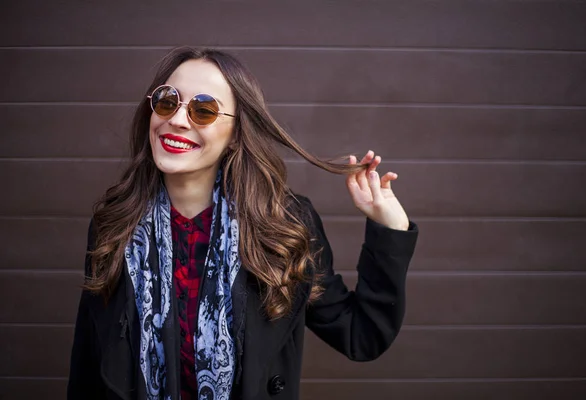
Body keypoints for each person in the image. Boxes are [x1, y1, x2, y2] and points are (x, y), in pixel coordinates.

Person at [67, 47, 418, 400]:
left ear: (236, 133)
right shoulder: (115, 222)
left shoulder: (283, 226)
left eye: (202, 110)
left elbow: (361, 334)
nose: (176, 119)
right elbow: (88, 362)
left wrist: (390, 232)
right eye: (167, 101)